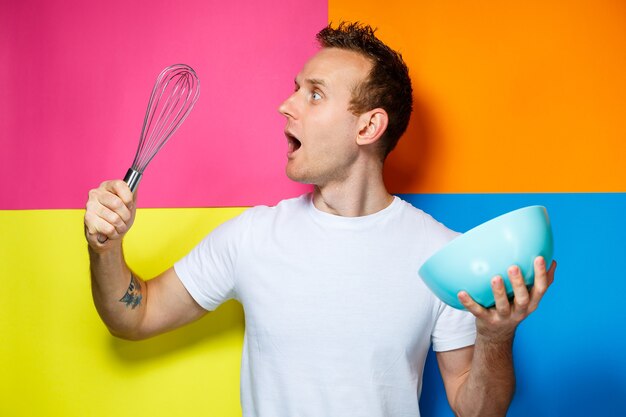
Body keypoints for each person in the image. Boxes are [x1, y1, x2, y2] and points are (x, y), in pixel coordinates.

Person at [84, 22, 556, 417]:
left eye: (313, 95)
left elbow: (478, 410)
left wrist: (496, 336)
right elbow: (135, 316)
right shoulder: (251, 238)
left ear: (368, 127)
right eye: (296, 89)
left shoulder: (441, 258)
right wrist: (105, 248)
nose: (286, 105)